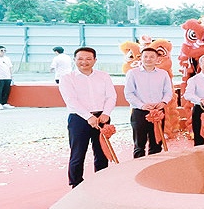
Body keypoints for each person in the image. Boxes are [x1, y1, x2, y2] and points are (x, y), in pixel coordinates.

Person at [57, 47, 116, 188]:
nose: (84, 62)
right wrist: (88, 117)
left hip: (102, 117)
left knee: (102, 152)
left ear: (95, 60)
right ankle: (76, 184)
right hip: (79, 119)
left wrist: (106, 113)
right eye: (80, 59)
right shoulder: (67, 78)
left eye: (89, 59)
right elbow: (71, 100)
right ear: (74, 60)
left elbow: (111, 96)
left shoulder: (103, 76)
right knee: (78, 153)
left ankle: (101, 181)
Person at [123, 47, 173, 158]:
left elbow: (168, 92)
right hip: (140, 112)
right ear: (140, 58)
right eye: (145, 56)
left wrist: (163, 102)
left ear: (157, 59)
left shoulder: (163, 74)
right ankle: (139, 166)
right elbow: (129, 93)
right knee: (139, 144)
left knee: (157, 143)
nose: (148, 59)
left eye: (152, 57)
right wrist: (142, 105)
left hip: (158, 112)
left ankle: (154, 166)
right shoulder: (133, 73)